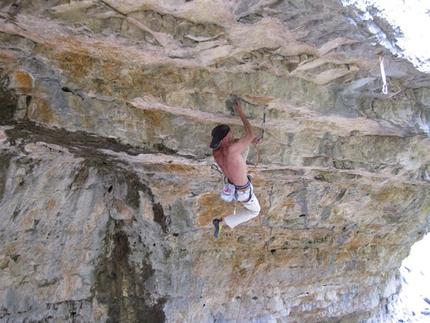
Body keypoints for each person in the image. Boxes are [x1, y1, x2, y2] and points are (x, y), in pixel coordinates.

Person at [209, 100, 261, 238]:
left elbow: (234, 144)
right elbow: (249, 135)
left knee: (252, 210)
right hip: (243, 192)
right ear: (225, 140)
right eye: (231, 135)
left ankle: (222, 222)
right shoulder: (231, 150)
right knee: (254, 211)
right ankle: (221, 223)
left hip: (233, 188)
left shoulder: (217, 152)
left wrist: (249, 141)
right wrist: (240, 113)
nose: (233, 135)